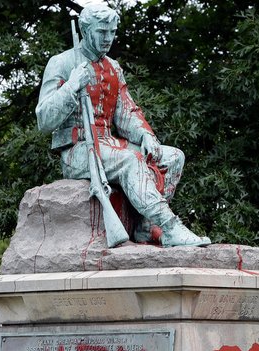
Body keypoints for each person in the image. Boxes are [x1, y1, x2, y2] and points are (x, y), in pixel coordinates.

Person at [36, 3, 210, 247]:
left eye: (112, 32)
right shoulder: (62, 63)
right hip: (78, 150)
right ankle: (170, 227)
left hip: (108, 144)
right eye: (101, 32)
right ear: (85, 30)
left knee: (173, 157)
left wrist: (146, 135)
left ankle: (146, 228)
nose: (108, 38)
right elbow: (44, 120)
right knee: (130, 159)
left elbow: (127, 111)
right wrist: (71, 86)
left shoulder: (113, 68)